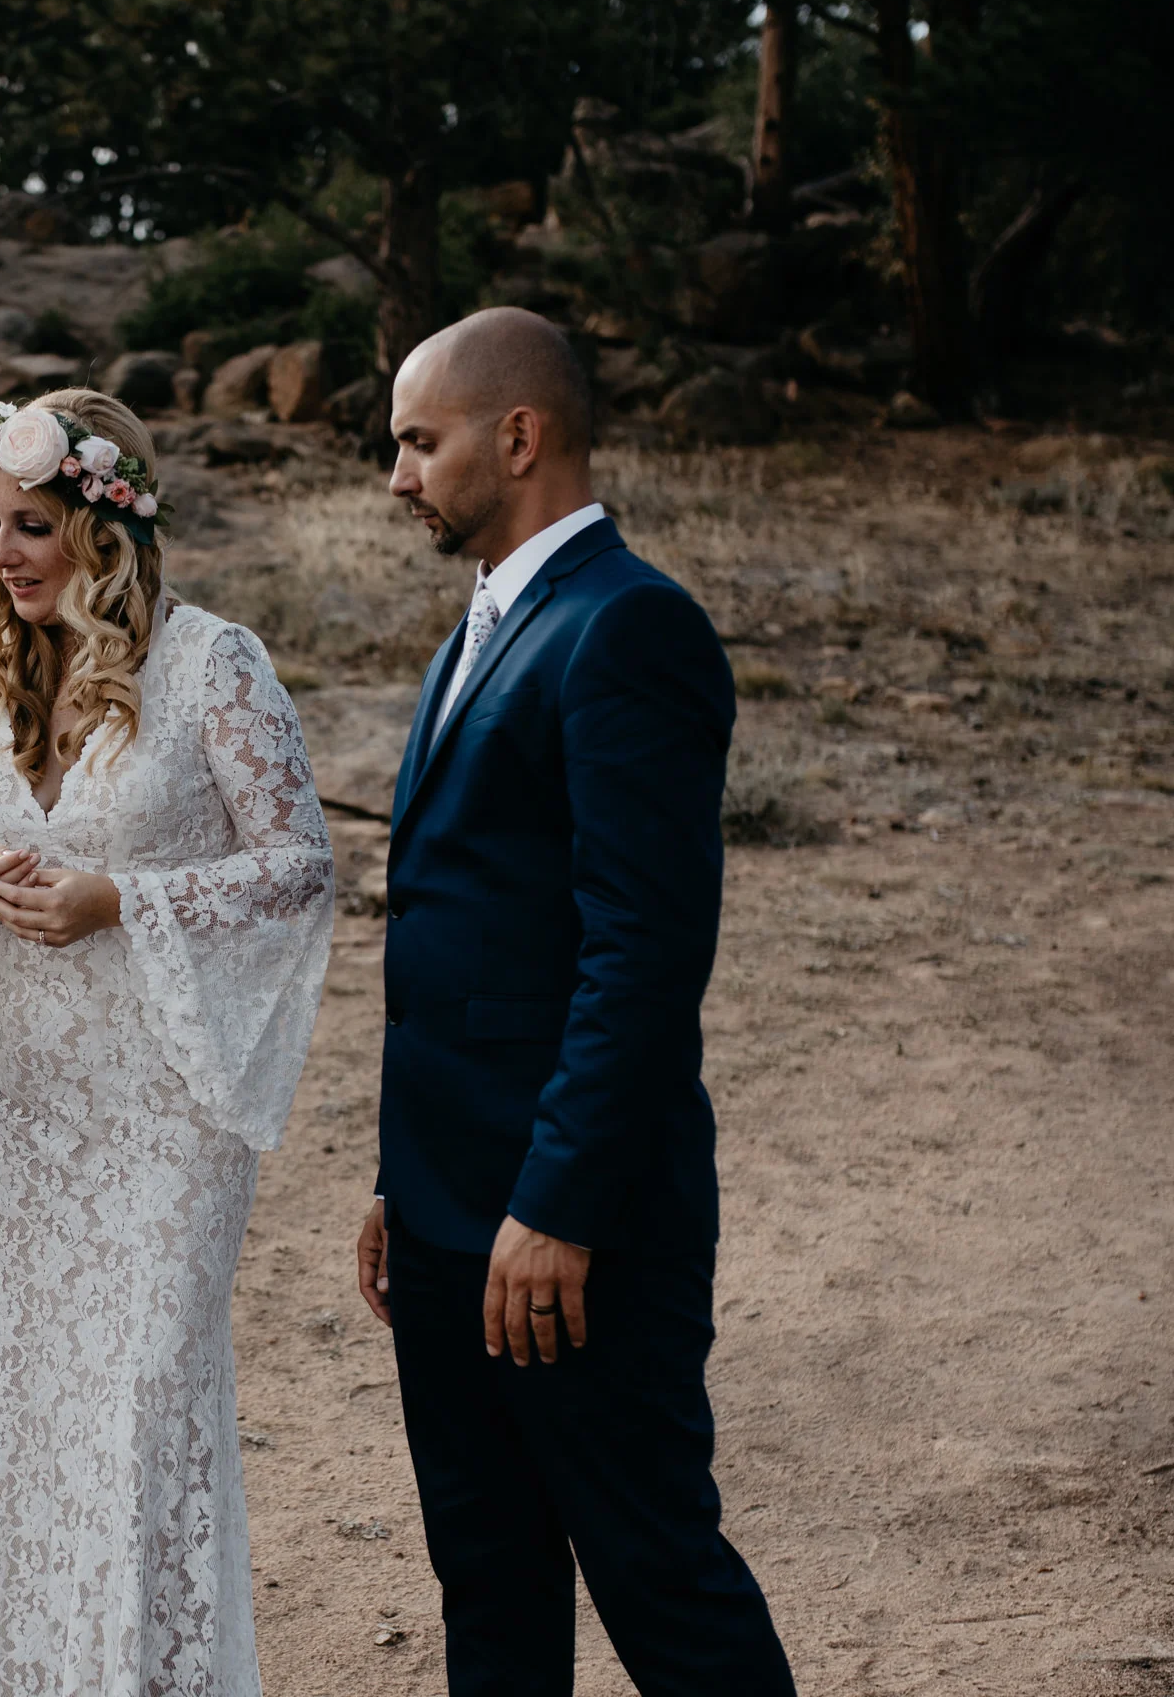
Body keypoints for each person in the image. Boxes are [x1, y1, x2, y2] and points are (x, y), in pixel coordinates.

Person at [0, 389, 334, 1695]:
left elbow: (298, 867)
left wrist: (128, 898)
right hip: (17, 1109)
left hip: (161, 1115)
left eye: (35, 524)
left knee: (136, 1403)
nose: (5, 552)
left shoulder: (211, 666)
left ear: (108, 524)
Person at [354, 308, 796, 1694]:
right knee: (488, 1584)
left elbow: (644, 955)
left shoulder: (629, 628)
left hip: (571, 1227)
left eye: (420, 441)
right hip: (445, 1213)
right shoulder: (483, 627)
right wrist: (399, 1177)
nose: (399, 475)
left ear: (520, 434)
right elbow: (472, 940)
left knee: (661, 1581)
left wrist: (556, 1205)